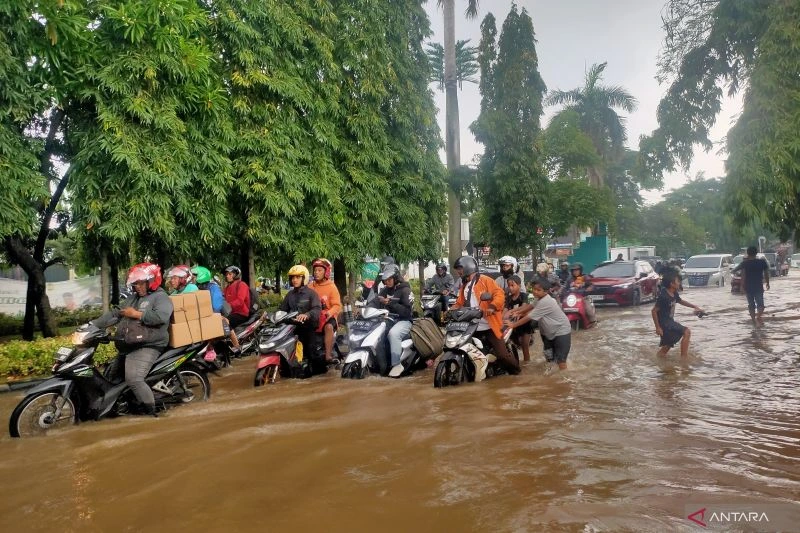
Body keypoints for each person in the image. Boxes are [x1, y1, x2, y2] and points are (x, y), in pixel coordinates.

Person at [91, 263, 173, 417]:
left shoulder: (161, 297)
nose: (138, 287)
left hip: (149, 345)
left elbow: (161, 317)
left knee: (134, 379)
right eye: (136, 284)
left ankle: (152, 414)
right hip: (129, 345)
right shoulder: (132, 299)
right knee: (111, 378)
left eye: (141, 283)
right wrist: (93, 325)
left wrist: (137, 314)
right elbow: (117, 313)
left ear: (152, 281)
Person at [451, 256, 520, 375]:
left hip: (489, 325)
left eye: (460, 268)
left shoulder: (485, 280)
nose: (458, 271)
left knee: (502, 355)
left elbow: (499, 294)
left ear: (468, 267)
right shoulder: (465, 286)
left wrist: (492, 307)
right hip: (472, 326)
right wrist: (450, 310)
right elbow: (459, 303)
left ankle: (517, 372)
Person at [508, 280, 572, 370]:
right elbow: (529, 306)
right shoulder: (538, 299)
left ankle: (563, 380)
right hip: (547, 332)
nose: (535, 292)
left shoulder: (546, 302)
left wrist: (513, 325)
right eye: (534, 289)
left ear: (546, 291)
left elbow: (529, 316)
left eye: (538, 290)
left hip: (561, 331)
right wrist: (517, 312)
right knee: (549, 359)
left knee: (561, 360)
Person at [369, 263, 413, 374]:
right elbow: (374, 302)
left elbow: (407, 312)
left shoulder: (405, 290)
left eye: (389, 279)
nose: (387, 282)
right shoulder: (385, 291)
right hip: (388, 320)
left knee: (393, 334)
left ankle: (396, 364)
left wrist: (390, 303)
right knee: (376, 333)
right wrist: (364, 310)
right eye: (385, 280)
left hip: (404, 321)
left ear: (396, 278)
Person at [651, 269, 704, 357]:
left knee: (667, 346)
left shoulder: (673, 293)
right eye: (677, 281)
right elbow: (654, 311)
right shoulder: (663, 296)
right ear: (672, 284)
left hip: (670, 322)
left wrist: (694, 306)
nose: (679, 283)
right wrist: (658, 327)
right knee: (687, 332)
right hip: (665, 324)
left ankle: (658, 361)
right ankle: (684, 359)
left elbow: (680, 301)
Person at [192, 265, 240, 351]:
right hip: (205, 315)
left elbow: (216, 305)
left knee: (226, 326)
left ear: (201, 276)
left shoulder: (212, 287)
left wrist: (212, 315)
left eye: (195, 276)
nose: (192, 278)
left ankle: (237, 347)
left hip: (217, 312)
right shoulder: (197, 287)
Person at [279, 264, 321, 356]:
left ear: (304, 278)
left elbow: (317, 309)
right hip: (292, 327)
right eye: (293, 278)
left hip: (307, 327)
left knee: (311, 354)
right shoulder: (289, 295)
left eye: (298, 277)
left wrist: (307, 315)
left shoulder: (311, 294)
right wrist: (273, 316)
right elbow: (282, 310)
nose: (295, 280)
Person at [308, 258, 342, 363]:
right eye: (315, 270)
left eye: (319, 270)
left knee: (329, 327)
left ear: (326, 272)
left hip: (328, 317)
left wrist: (329, 313)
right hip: (313, 316)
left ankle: (328, 356)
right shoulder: (310, 286)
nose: (316, 273)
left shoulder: (332, 287)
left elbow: (337, 305)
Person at [732, 245, 770, 327]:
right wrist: (767, 283)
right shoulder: (762, 262)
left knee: (751, 305)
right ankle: (758, 317)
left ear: (747, 254)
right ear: (756, 253)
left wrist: (741, 286)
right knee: (761, 305)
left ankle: (754, 321)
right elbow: (766, 273)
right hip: (758, 287)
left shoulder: (745, 263)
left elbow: (738, 273)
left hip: (748, 287)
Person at [502, 275, 533, 362]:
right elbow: (504, 311)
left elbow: (524, 308)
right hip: (513, 326)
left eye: (513, 285)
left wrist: (511, 312)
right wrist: (502, 318)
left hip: (525, 325)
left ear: (519, 285)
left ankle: (527, 363)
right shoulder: (508, 299)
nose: (510, 288)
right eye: (509, 286)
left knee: (524, 346)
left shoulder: (524, 296)